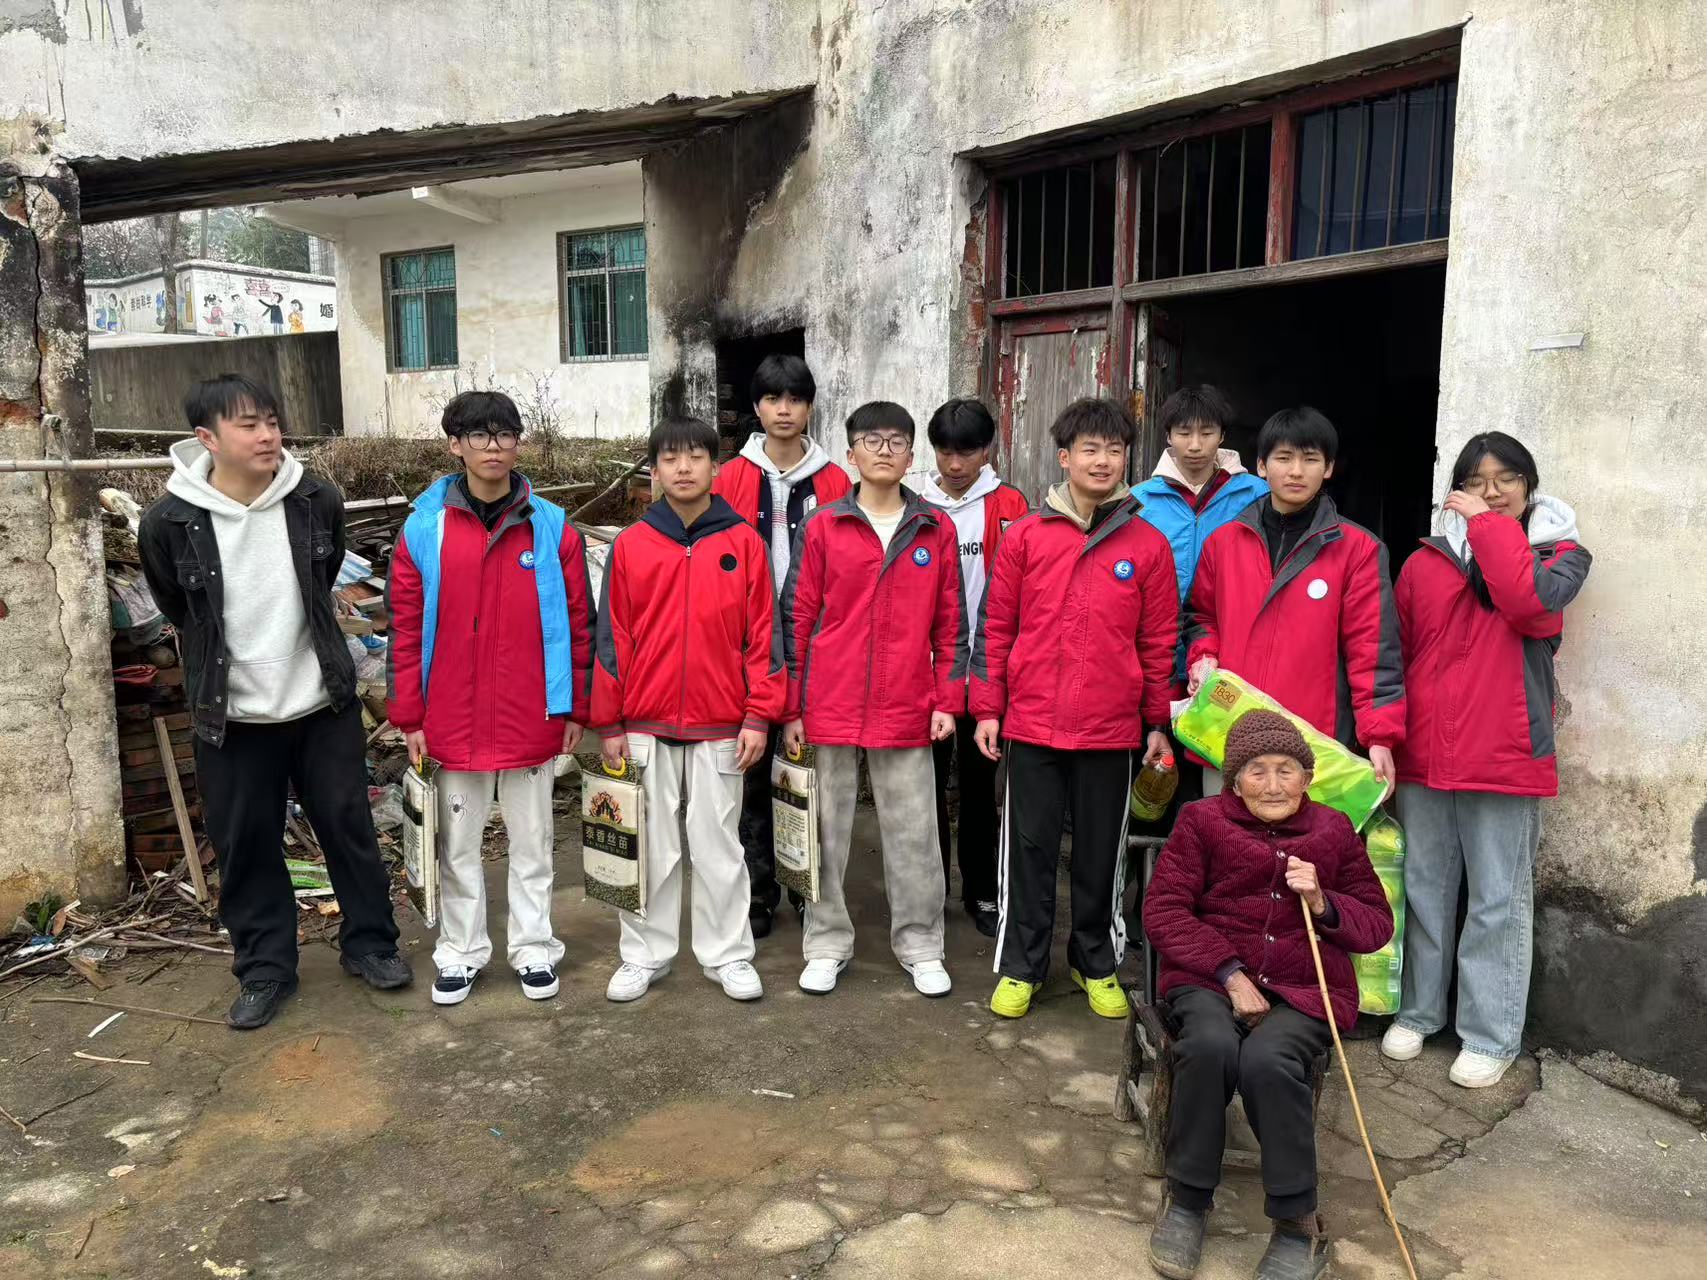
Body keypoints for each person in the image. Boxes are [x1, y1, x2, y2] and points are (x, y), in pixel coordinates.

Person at [138, 375, 410, 1029]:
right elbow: (178, 605)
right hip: (232, 717)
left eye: (271, 421)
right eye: (248, 425)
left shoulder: (315, 499)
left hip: (320, 705)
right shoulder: (170, 521)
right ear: (207, 438)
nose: (267, 435)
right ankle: (264, 968)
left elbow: (323, 578)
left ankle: (371, 944)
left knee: (349, 829)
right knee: (247, 844)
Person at [1144, 710, 1394, 1280]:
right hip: (1211, 977)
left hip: (1304, 988)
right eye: (1257, 771)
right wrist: (1230, 974)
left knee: (1268, 1061)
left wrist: (1324, 902)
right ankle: (1187, 1201)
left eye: (1286, 770)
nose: (1274, 785)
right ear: (1235, 780)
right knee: (1208, 1046)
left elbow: (1377, 925)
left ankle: (1297, 1224)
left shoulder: (1333, 831)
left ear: (1308, 777)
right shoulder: (1201, 821)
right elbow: (1163, 910)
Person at [1380, 433, 1591, 1088]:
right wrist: (1387, 735)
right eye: (1475, 481)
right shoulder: (1425, 562)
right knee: (1425, 889)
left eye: (1505, 479)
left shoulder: (1559, 556)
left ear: (1529, 485)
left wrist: (1485, 526)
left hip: (1504, 752)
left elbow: (1525, 603)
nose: (1491, 492)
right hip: (1426, 751)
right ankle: (1418, 1012)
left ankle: (1490, 1033)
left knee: (1497, 898)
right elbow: (1397, 652)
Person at [386, 390, 595, 1007]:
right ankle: (460, 951)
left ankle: (533, 948)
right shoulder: (424, 528)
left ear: (518, 443)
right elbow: (405, 626)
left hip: (533, 709)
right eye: (479, 435)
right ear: (456, 445)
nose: (494, 446)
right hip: (451, 714)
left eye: (505, 434)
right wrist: (410, 715)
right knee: (457, 845)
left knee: (533, 842)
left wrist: (575, 706)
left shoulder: (551, 527)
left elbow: (578, 624)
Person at [971, 397, 1177, 1021]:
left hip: (1111, 731)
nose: (1103, 460)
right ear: (1064, 458)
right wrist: (989, 709)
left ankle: (1096, 961)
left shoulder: (1148, 545)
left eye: (1115, 450)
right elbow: (996, 628)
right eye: (1090, 449)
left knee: (1100, 855)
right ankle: (1021, 966)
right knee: (1027, 851)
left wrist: (1157, 723)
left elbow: (1158, 642)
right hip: (1032, 724)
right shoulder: (1026, 537)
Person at [591, 416, 784, 1004]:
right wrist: (609, 722)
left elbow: (764, 638)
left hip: (722, 721)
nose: (683, 468)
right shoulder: (631, 544)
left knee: (719, 845)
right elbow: (611, 638)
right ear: (653, 470)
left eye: (695, 457)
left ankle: (727, 954)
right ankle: (643, 955)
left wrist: (758, 715)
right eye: (670, 458)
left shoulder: (744, 543)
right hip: (644, 722)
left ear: (715, 467)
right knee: (650, 846)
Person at [780, 401, 966, 998]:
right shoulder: (822, 526)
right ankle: (825, 942)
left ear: (911, 456)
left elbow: (951, 626)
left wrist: (947, 700)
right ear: (851, 453)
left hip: (907, 698)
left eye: (896, 442)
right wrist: (792, 707)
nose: (884, 451)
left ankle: (921, 943)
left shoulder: (934, 529)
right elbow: (796, 617)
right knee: (824, 830)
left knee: (915, 832)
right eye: (871, 440)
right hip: (829, 699)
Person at [1185, 407, 1404, 794]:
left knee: (1305, 835)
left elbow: (1373, 651)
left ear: (1329, 467)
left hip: (1313, 746)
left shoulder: (1358, 550)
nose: (1296, 471)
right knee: (1224, 832)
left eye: (1310, 459)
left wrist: (1379, 736)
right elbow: (1201, 616)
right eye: (1284, 458)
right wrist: (1203, 655)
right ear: (1261, 466)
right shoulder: (1224, 543)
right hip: (1227, 734)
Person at [711, 354, 852, 939]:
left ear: (810, 406)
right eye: (773, 399)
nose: (784, 410)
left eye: (795, 399)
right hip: (746, 644)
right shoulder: (730, 478)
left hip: (817, 643)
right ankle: (758, 890)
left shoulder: (835, 481)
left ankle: (806, 886)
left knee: (808, 772)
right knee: (751, 775)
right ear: (757, 407)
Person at [918, 397, 1029, 937]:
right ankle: (930, 889)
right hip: (928, 668)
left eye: (967, 452)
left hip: (986, 668)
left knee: (983, 789)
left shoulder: (1011, 504)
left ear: (988, 450)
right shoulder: (917, 503)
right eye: (945, 451)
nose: (955, 463)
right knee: (926, 788)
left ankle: (983, 891)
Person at [1136, 384, 1268, 681]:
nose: (1195, 445)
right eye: (1184, 433)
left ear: (1222, 436)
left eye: (1207, 433)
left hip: (1230, 653)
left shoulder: (1257, 495)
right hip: (1157, 655)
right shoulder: (1139, 501)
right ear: (1168, 436)